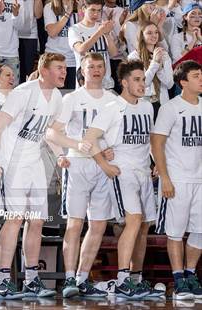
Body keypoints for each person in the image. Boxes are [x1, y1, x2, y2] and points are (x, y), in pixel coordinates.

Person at [0, 52, 66, 299]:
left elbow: (49, 132)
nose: (64, 72)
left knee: (38, 221)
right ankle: (2, 282)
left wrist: (61, 155)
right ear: (44, 71)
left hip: (34, 162)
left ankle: (31, 279)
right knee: (15, 219)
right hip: (12, 163)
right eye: (59, 68)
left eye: (65, 68)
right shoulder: (23, 92)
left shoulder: (57, 97)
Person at [82, 60, 157, 299]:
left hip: (144, 171)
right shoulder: (113, 107)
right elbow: (89, 137)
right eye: (136, 79)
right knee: (133, 221)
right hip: (123, 171)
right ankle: (123, 279)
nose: (141, 84)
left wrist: (157, 165)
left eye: (143, 79)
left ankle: (136, 278)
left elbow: (151, 140)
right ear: (124, 82)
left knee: (143, 226)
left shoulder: (146, 107)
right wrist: (104, 164)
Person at [46, 52, 118, 298]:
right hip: (78, 166)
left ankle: (83, 278)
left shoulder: (113, 99)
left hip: (102, 168)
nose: (96, 70)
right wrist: (73, 146)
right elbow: (52, 133)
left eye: (100, 66)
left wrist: (110, 149)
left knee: (98, 225)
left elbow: (117, 135)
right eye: (91, 66)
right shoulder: (73, 99)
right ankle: (69, 279)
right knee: (75, 224)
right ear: (82, 70)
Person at [152, 60, 202, 300]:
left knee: (200, 230)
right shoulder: (170, 108)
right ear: (183, 82)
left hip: (200, 179)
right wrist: (165, 178)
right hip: (178, 178)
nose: (201, 79)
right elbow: (157, 144)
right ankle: (179, 277)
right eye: (196, 76)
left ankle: (191, 274)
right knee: (175, 231)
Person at [68, 0, 117, 90]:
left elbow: (113, 53)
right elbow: (81, 50)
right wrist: (100, 32)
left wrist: (106, 34)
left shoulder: (102, 27)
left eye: (99, 11)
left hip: (106, 84)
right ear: (83, 9)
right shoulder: (74, 29)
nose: (96, 14)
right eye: (92, 10)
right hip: (85, 85)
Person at [128, 21, 174, 112]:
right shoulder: (133, 57)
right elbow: (142, 84)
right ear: (142, 35)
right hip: (143, 104)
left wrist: (160, 69)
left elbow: (170, 84)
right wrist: (155, 63)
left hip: (163, 102)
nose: (154, 35)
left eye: (156, 32)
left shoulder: (164, 54)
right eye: (149, 33)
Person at [44, 0, 80, 89]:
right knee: (53, 97)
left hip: (73, 61)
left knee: (71, 99)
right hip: (54, 59)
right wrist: (67, 14)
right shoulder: (50, 7)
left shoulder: (80, 6)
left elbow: (83, 33)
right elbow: (52, 32)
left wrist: (81, 12)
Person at [18, 0, 42, 83]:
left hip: (30, 34)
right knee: (15, 72)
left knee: (29, 72)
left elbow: (38, 15)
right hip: (12, 34)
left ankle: (27, 95)